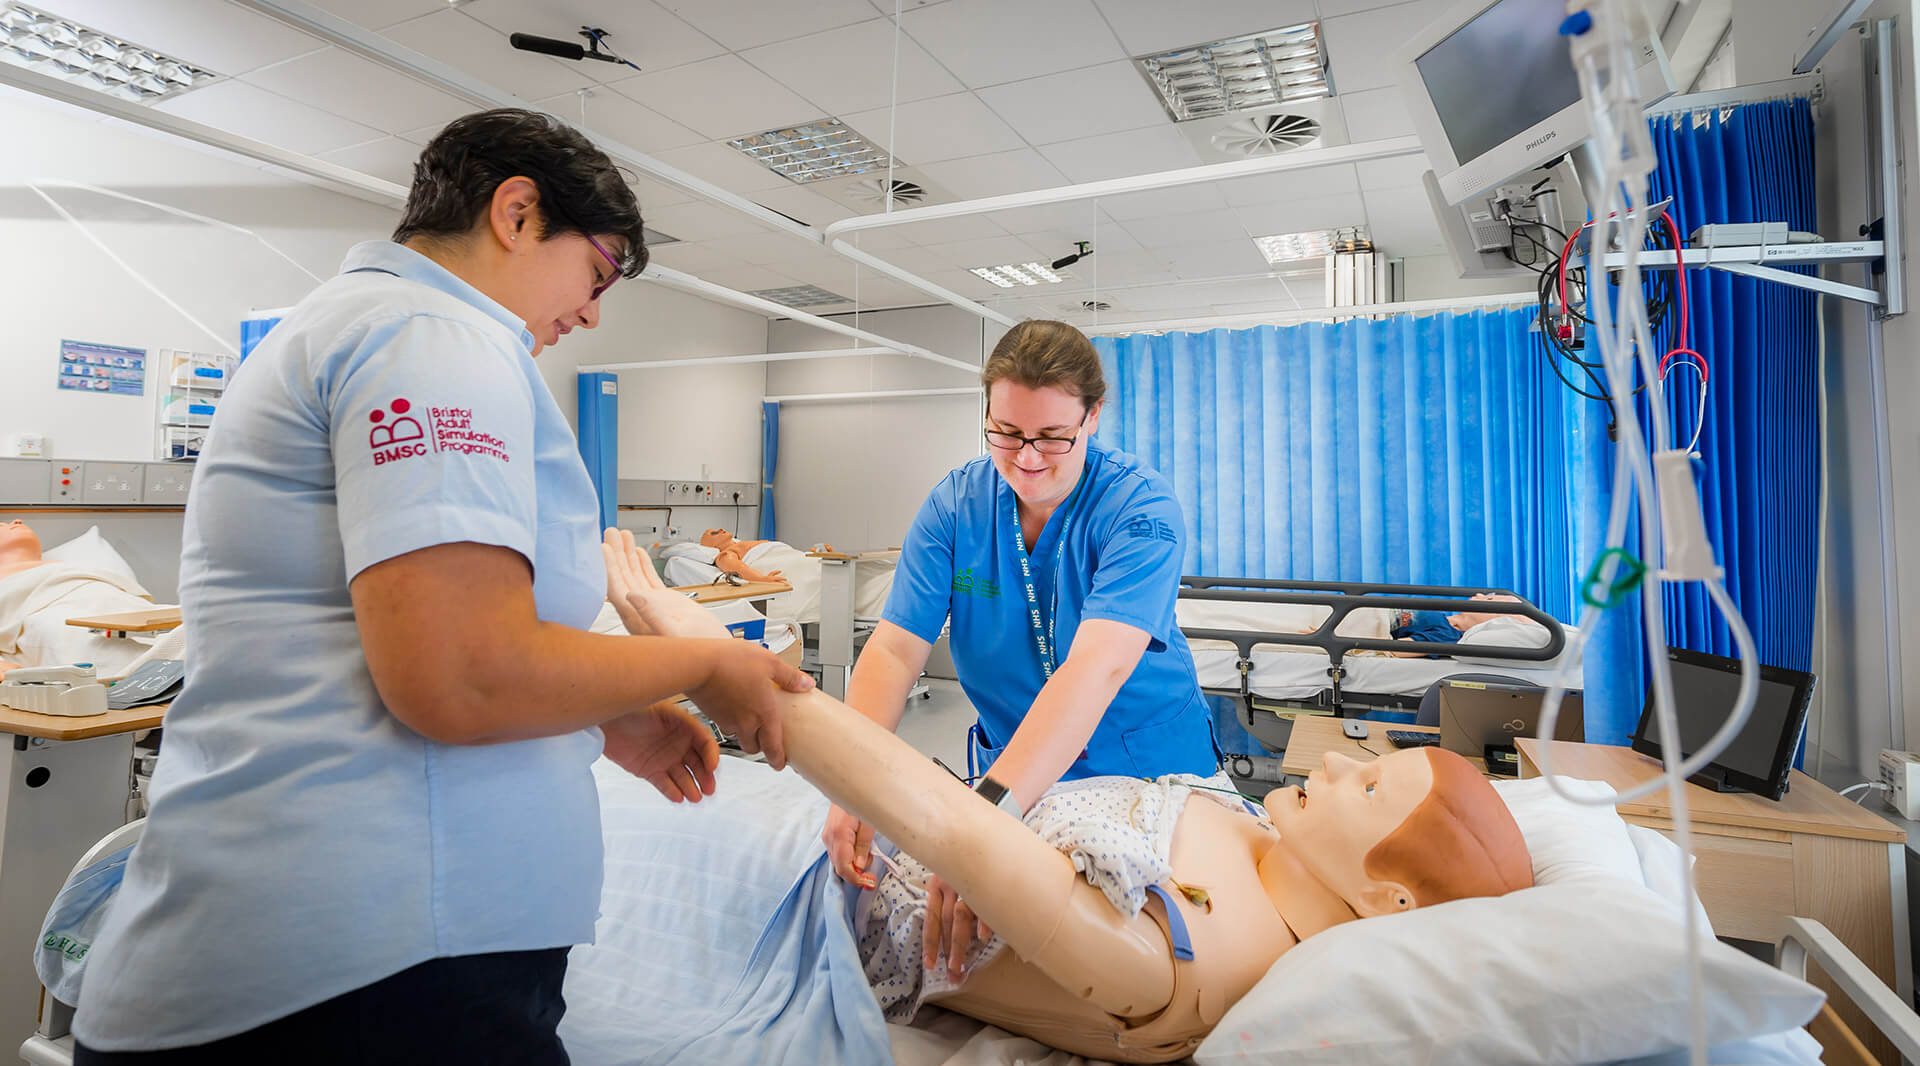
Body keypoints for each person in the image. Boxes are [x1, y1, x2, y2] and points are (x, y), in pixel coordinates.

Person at [70, 110, 812, 1064]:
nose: (592, 311)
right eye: (598, 271)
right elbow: (463, 674)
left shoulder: (370, 328)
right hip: (370, 969)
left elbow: (398, 638)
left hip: (363, 951)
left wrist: (610, 714)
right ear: (516, 212)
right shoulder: (433, 337)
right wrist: (708, 660)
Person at [603, 539, 1533, 1063]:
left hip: (801, 893)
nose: (1329, 767)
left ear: (1390, 902)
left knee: (579, 803)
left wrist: (725, 669)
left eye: (1365, 786)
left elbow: (949, 828)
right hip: (834, 838)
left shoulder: (1187, 961)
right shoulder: (1256, 843)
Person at [821, 319, 1220, 980]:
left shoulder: (1139, 508)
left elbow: (1097, 666)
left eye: (1053, 438)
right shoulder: (956, 509)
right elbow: (893, 654)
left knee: (1153, 956)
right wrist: (851, 783)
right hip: (1016, 775)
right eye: (1006, 433)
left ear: (1093, 416)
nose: (1028, 459)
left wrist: (982, 825)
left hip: (1146, 768)